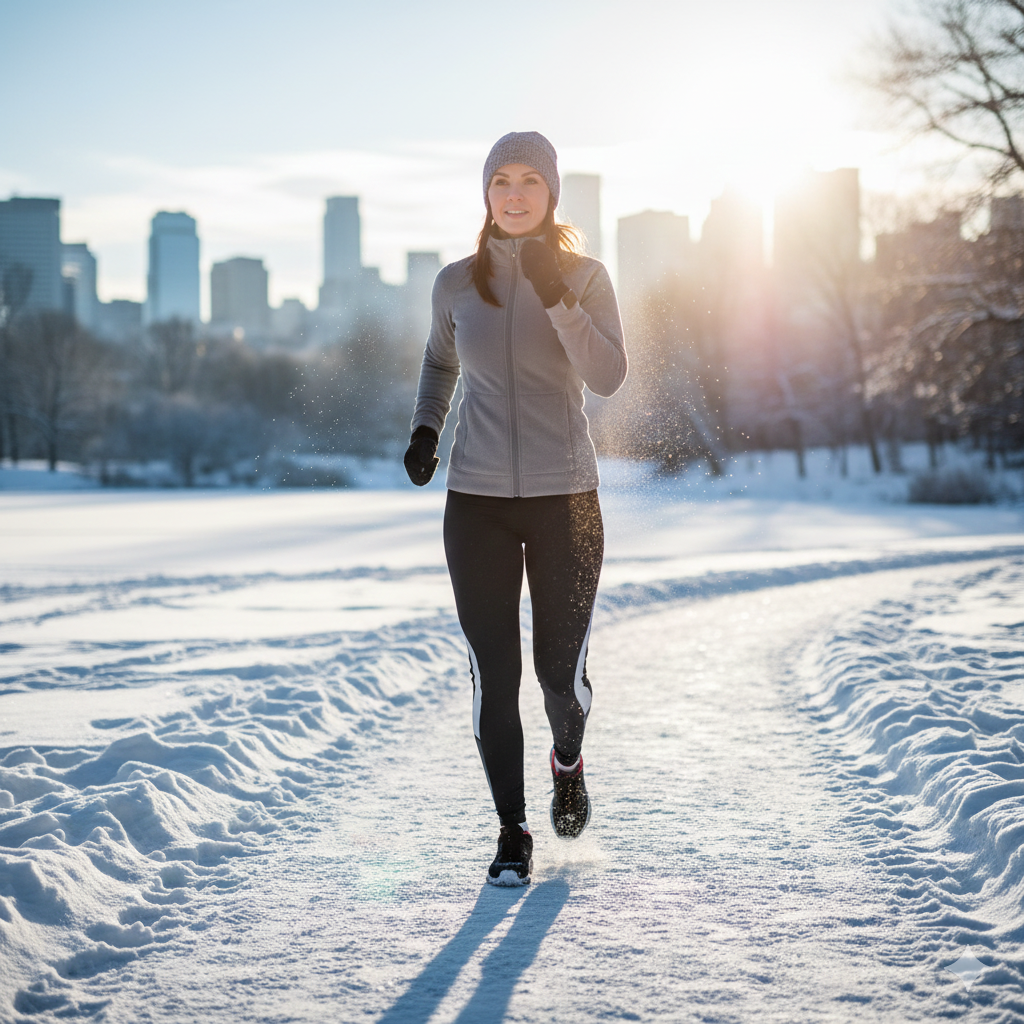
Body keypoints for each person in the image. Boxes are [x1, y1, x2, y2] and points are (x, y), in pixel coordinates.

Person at [404, 131, 627, 886]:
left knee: (557, 676)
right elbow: (440, 362)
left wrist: (556, 290)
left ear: (552, 193)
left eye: (531, 179)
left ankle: (569, 760)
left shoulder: (588, 277)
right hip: (477, 504)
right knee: (493, 678)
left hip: (568, 499)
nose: (515, 193)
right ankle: (512, 832)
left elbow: (608, 376)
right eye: (502, 180)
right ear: (487, 194)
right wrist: (426, 428)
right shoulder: (457, 283)